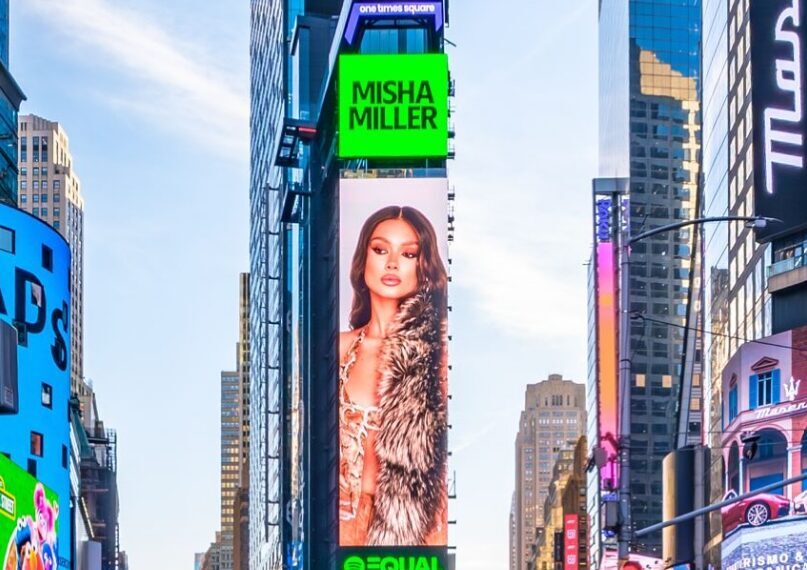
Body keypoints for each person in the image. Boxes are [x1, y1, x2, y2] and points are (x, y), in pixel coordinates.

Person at [339, 205, 448, 546]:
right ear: (364, 259)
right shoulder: (337, 350)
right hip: (342, 523)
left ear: (422, 264)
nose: (391, 263)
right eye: (380, 249)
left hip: (417, 527)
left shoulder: (438, 351)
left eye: (408, 253)